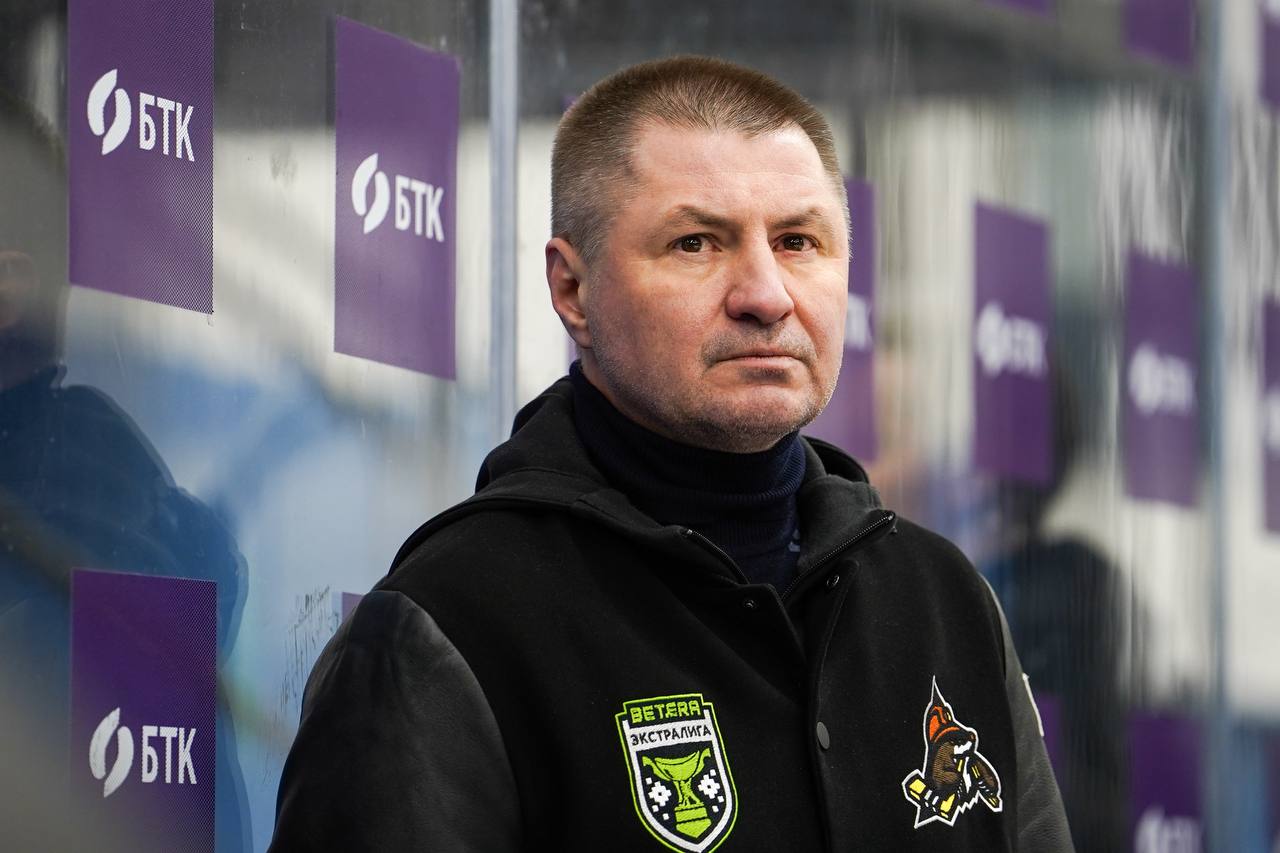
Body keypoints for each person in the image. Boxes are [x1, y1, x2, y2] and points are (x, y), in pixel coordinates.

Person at [271, 56, 1073, 852]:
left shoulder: (945, 602)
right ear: (572, 291)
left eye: (798, 241)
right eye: (696, 243)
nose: (766, 294)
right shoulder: (453, 625)